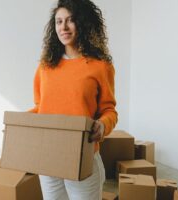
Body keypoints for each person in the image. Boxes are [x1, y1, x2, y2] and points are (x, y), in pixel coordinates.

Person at [28, 0, 118, 199]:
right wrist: (21, 124)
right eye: (59, 22)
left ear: (83, 23)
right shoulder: (45, 66)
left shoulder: (100, 66)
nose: (63, 27)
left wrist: (102, 126)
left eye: (70, 20)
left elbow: (109, 110)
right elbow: (40, 107)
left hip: (82, 157)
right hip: (48, 157)